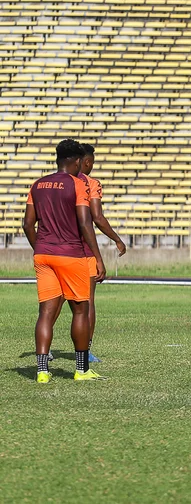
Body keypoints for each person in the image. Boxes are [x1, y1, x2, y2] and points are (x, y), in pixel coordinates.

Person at [22, 139, 107, 383]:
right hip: (71, 254)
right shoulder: (78, 184)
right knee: (81, 310)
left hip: (44, 254)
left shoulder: (37, 185)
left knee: (46, 313)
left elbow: (28, 224)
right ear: (77, 161)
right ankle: (81, 370)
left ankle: (41, 372)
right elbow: (84, 222)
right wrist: (98, 258)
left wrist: (40, 247)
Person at [75, 143, 127, 363]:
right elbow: (96, 217)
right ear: (86, 162)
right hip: (83, 250)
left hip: (57, 249)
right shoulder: (90, 184)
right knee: (87, 302)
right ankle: (85, 352)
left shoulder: (56, 182)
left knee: (53, 303)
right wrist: (116, 239)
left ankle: (44, 350)